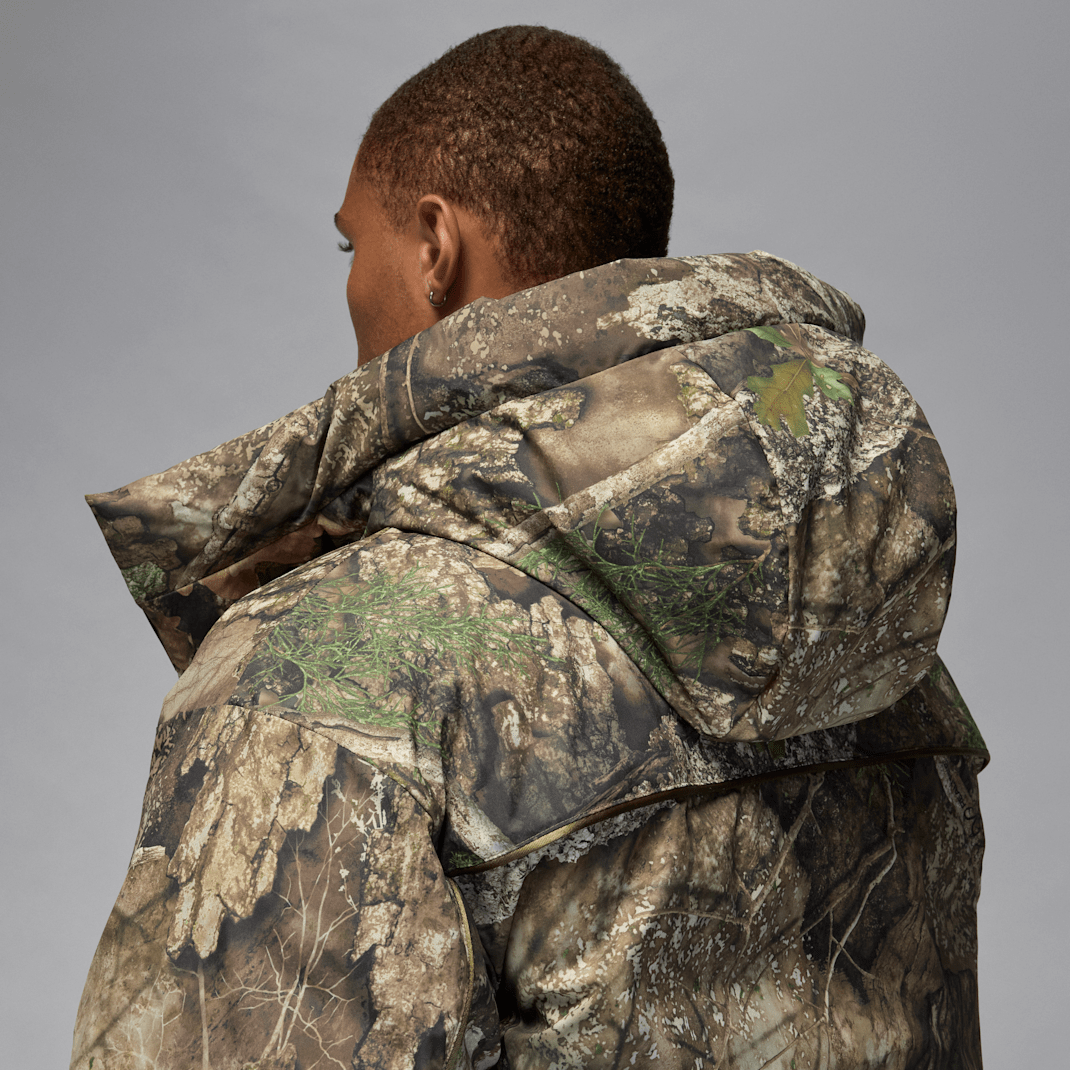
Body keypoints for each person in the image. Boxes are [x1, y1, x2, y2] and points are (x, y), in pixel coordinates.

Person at [71, 25, 986, 1070]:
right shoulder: (879, 654)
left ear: (433, 245)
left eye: (350, 245)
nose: (350, 284)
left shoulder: (322, 673)